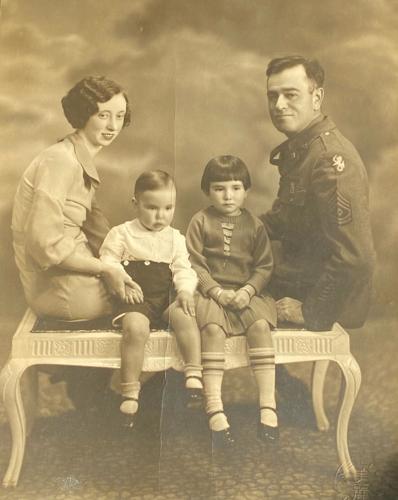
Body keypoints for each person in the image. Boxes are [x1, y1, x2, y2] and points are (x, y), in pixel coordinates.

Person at [11, 76, 141, 409]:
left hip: (69, 273)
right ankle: (104, 395)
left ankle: (92, 393)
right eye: (102, 115)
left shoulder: (78, 156)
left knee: (146, 280)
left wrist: (127, 258)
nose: (112, 125)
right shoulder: (61, 161)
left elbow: (95, 228)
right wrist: (106, 269)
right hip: (57, 288)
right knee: (141, 303)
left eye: (119, 116)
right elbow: (44, 243)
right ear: (84, 113)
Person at [261, 55, 376, 331]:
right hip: (293, 278)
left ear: (317, 97)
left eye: (290, 95)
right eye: (272, 96)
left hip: (315, 296)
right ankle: (282, 377)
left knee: (206, 300)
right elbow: (280, 221)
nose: (279, 105)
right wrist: (226, 226)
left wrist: (311, 310)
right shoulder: (303, 150)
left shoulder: (330, 159)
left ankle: (172, 375)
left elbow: (355, 257)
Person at [186, 156, 278, 448]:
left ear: (246, 190)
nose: (228, 195)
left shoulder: (254, 225)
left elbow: (264, 266)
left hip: (246, 291)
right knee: (212, 329)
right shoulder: (200, 221)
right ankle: (214, 406)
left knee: (261, 325)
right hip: (211, 292)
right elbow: (193, 263)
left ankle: (268, 406)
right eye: (219, 188)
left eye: (236, 188)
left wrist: (249, 290)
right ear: (207, 191)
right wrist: (215, 291)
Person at [100, 170, 202, 427]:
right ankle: (130, 389)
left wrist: (186, 292)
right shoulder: (121, 233)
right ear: (135, 204)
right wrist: (121, 279)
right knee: (135, 328)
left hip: (166, 295)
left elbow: (182, 268)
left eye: (168, 208)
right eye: (152, 208)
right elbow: (108, 262)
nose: (161, 215)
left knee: (185, 315)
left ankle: (193, 372)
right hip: (135, 296)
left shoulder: (175, 238)